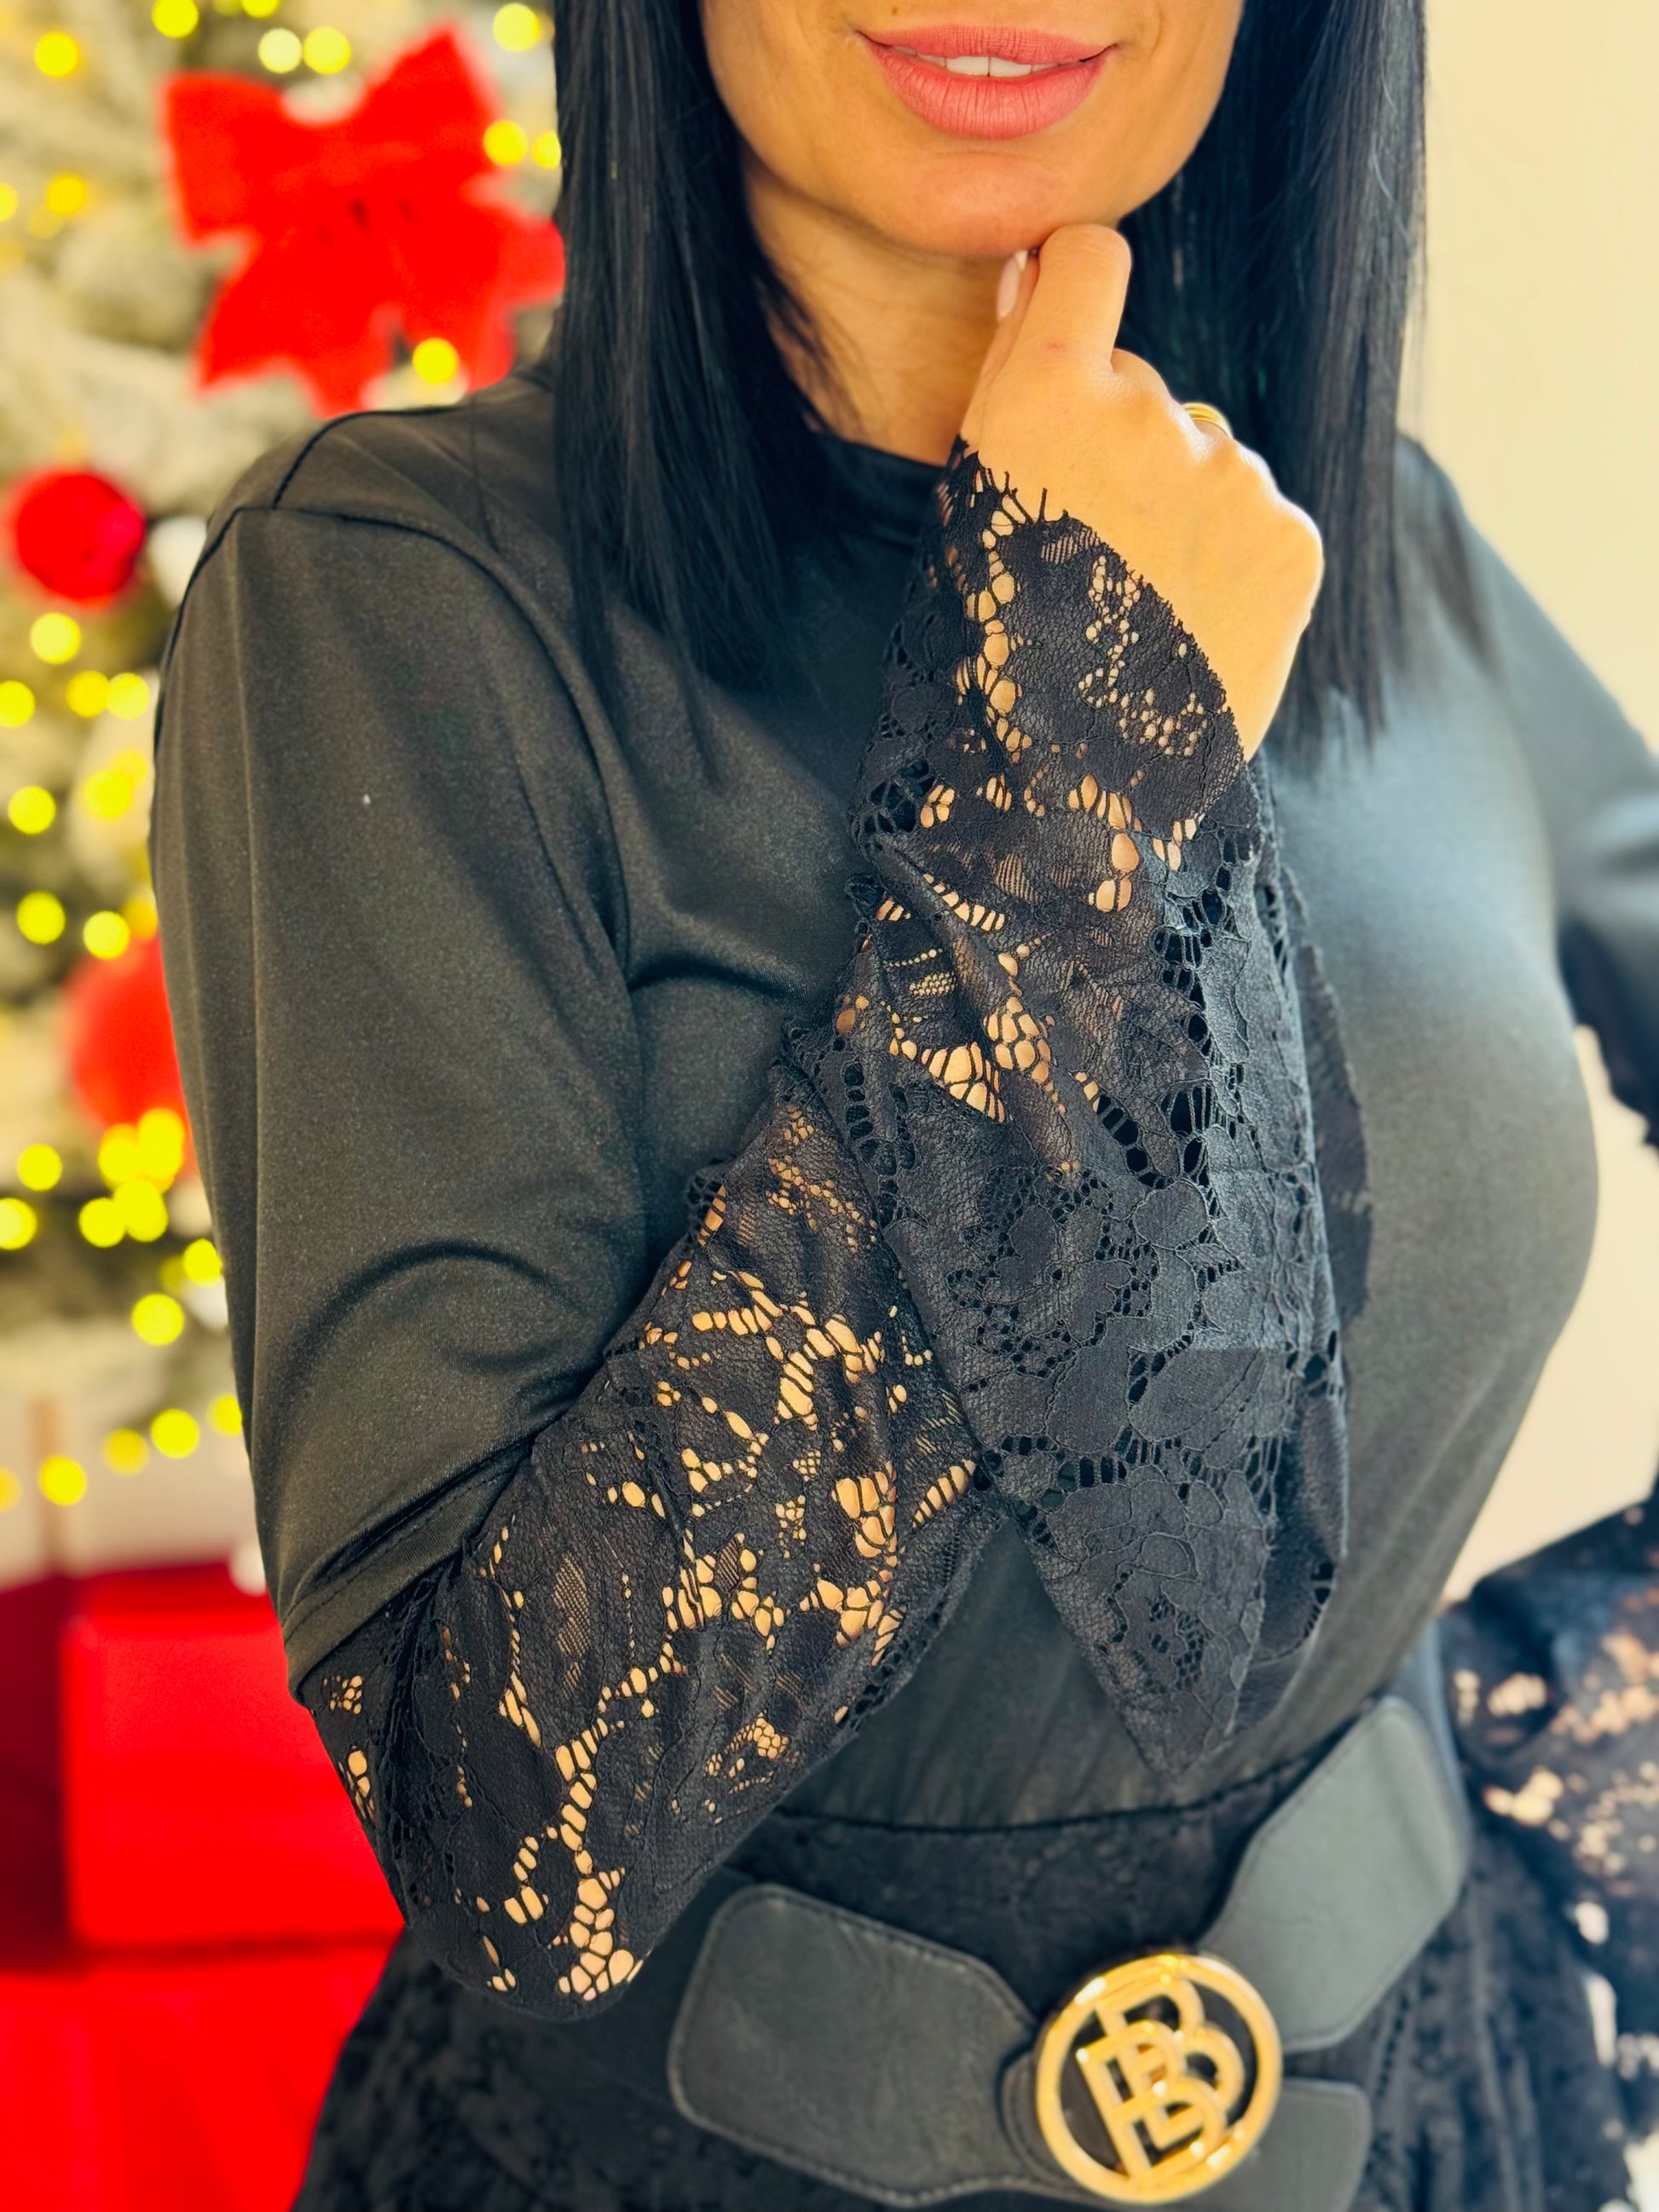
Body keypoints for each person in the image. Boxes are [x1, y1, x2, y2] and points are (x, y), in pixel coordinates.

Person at [150, 3, 1659, 2208]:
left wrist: (1533, 1744)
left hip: (1445, 2131)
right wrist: (1075, 794)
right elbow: (524, 1835)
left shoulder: (1387, 554)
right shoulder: (398, 596)